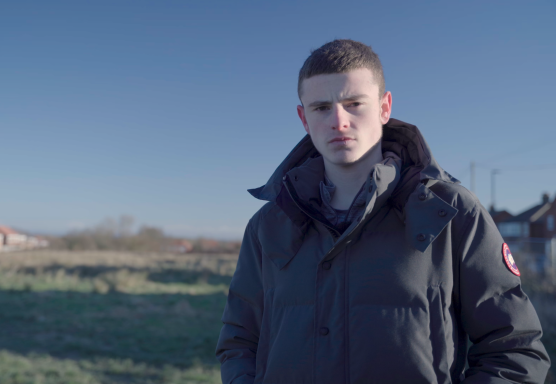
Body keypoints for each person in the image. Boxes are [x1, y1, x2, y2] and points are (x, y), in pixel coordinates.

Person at [215, 39, 550, 383]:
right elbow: (238, 342)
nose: (339, 121)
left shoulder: (452, 213)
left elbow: (514, 350)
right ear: (303, 117)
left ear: (384, 107)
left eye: (354, 104)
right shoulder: (269, 224)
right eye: (321, 108)